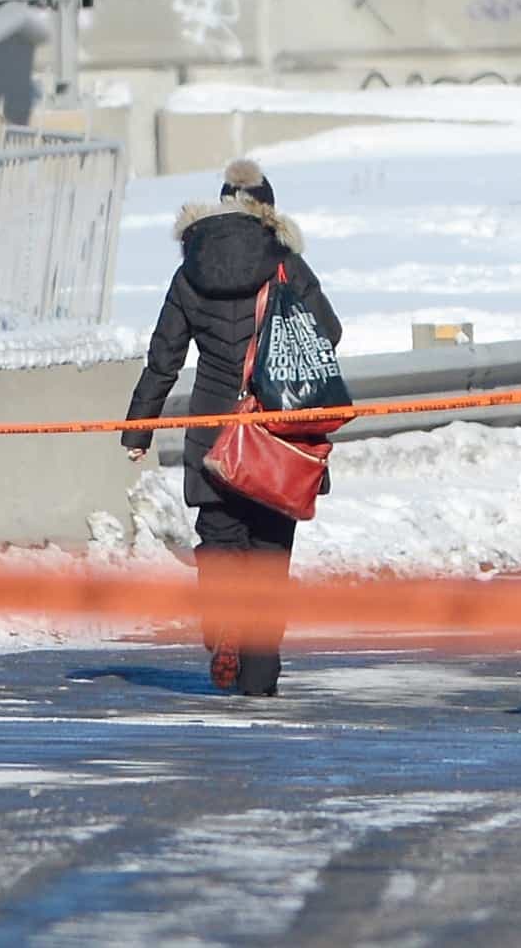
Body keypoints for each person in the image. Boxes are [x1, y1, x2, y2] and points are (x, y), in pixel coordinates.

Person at [122, 159, 342, 698]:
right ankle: (260, 679)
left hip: (213, 431)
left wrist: (138, 428)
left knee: (219, 543)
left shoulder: (190, 270)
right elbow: (329, 332)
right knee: (269, 555)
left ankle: (223, 628)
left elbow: (164, 354)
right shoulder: (286, 265)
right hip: (276, 434)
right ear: (267, 208)